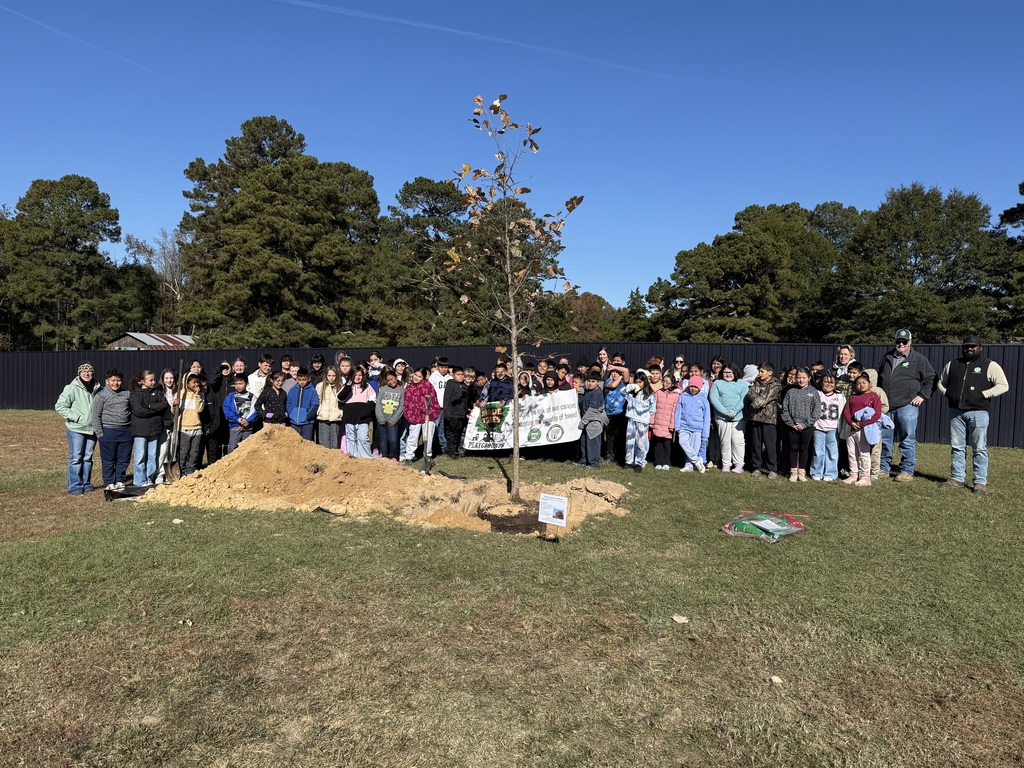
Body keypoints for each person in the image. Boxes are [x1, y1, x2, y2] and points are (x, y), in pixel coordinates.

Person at [936, 335, 1009, 494]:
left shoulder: (990, 365)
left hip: (979, 412)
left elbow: (1003, 385)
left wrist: (984, 394)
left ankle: (980, 482)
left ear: (980, 347)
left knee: (979, 448)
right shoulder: (953, 364)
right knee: (957, 447)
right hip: (956, 412)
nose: (969, 348)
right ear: (962, 347)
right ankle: (956, 479)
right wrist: (947, 392)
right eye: (966, 346)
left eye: (973, 346)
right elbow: (941, 382)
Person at [877, 329, 936, 482]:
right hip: (886, 406)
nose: (901, 344)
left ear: (910, 342)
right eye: (898, 341)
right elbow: (879, 378)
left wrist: (922, 395)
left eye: (904, 341)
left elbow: (931, 378)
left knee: (907, 439)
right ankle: (883, 468)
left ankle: (906, 470)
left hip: (907, 406)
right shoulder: (887, 357)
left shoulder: (919, 359)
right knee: (884, 439)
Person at [55, 362, 99, 495]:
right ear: (79, 373)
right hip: (77, 428)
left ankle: (86, 483)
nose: (87, 374)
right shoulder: (71, 388)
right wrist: (77, 417)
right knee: (76, 457)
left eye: (89, 371)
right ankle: (75, 485)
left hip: (92, 429)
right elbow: (60, 406)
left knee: (87, 457)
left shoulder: (98, 388)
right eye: (84, 371)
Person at [92, 367, 132, 490]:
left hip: (125, 432)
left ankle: (120, 479)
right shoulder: (101, 395)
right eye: (113, 380)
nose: (116, 383)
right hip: (108, 432)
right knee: (109, 459)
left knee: (123, 458)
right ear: (107, 381)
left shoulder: (126, 394)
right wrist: (100, 434)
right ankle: (109, 481)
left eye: (118, 380)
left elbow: (131, 410)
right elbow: (95, 415)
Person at [130, 370, 173, 485]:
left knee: (152, 456)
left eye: (154, 379)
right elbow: (138, 411)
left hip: (154, 430)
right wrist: (155, 410)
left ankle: (149, 479)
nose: (154, 382)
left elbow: (164, 405)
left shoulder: (157, 392)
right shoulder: (135, 395)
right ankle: (139, 481)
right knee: (140, 456)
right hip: (140, 430)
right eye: (151, 380)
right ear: (142, 382)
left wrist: (149, 406)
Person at [781, 367, 821, 482]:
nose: (801, 380)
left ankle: (802, 472)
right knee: (793, 448)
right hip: (792, 425)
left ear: (808, 378)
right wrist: (791, 423)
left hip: (807, 426)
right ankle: (793, 471)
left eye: (804, 378)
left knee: (804, 448)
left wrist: (805, 424)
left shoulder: (813, 392)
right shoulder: (790, 391)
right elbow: (785, 409)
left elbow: (816, 411)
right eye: (799, 377)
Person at [842, 375, 883, 486]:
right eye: (858, 383)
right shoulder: (853, 396)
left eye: (864, 382)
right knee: (851, 452)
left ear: (869, 383)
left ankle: (865, 477)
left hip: (864, 429)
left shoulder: (874, 396)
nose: (861, 385)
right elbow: (846, 411)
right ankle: (853, 475)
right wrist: (851, 423)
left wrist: (862, 424)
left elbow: (877, 414)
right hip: (851, 427)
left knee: (863, 453)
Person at [709, 363, 748, 474]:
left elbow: (744, 399)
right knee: (725, 441)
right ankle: (726, 464)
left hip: (739, 418)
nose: (728, 374)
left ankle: (739, 465)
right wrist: (725, 412)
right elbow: (714, 398)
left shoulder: (742, 384)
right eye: (725, 372)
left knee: (738, 442)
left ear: (735, 373)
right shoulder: (717, 383)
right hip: (722, 417)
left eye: (730, 372)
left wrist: (734, 411)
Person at [747, 362, 781, 479]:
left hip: (769, 419)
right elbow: (750, 393)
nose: (760, 374)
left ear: (770, 373)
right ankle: (756, 467)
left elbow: (766, 398)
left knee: (770, 445)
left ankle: (772, 469)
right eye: (759, 371)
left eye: (762, 371)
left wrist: (755, 403)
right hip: (756, 417)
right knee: (756, 444)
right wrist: (758, 401)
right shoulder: (756, 383)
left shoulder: (776, 384)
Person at [810, 373, 844, 482]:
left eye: (831, 382)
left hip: (833, 428)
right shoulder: (817, 394)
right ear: (821, 383)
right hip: (819, 427)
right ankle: (816, 472)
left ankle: (830, 473)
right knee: (818, 451)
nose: (828, 384)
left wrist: (841, 428)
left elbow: (843, 413)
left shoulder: (839, 396)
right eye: (826, 382)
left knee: (832, 452)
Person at [402, 367, 440, 466]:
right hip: (414, 416)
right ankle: (409, 457)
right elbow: (406, 402)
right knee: (413, 436)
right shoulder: (409, 387)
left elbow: (433, 399)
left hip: (427, 415)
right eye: (415, 375)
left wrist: (429, 408)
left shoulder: (428, 386)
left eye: (419, 376)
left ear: (423, 378)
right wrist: (408, 413)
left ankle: (427, 456)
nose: (416, 378)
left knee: (428, 437)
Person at [674, 375, 710, 473]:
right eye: (691, 386)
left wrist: (705, 435)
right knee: (683, 442)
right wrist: (677, 426)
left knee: (694, 448)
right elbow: (678, 411)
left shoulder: (703, 399)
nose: (693, 389)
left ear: (700, 388)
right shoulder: (683, 396)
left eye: (696, 387)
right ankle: (697, 461)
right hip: (684, 426)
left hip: (697, 428)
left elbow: (707, 418)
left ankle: (689, 465)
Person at [623, 369, 656, 473]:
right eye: (636, 381)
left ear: (645, 382)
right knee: (629, 442)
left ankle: (639, 462)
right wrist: (630, 387)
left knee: (640, 443)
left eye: (640, 382)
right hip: (632, 421)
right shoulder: (631, 393)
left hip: (643, 422)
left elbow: (652, 409)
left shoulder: (650, 395)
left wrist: (644, 416)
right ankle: (629, 461)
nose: (638, 384)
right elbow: (622, 392)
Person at [340, 367, 375, 457]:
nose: (358, 377)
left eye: (360, 375)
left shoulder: (367, 386)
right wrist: (347, 387)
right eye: (355, 375)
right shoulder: (347, 386)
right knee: (351, 438)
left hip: (363, 418)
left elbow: (372, 400)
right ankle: (354, 457)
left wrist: (365, 413)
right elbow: (339, 397)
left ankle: (366, 458)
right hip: (350, 417)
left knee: (363, 438)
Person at [177, 373, 206, 477]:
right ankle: (181, 472)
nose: (196, 384)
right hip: (184, 428)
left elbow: (199, 409)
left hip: (197, 427)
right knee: (183, 452)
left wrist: (198, 395)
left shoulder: (200, 395)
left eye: (198, 382)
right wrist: (175, 405)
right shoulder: (180, 394)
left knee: (194, 452)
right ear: (186, 383)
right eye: (194, 382)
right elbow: (175, 411)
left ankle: (191, 471)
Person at [222, 374, 260, 454]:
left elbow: (255, 410)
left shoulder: (252, 397)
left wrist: (248, 420)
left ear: (246, 384)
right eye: (236, 384)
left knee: (246, 450)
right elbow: (227, 410)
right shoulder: (230, 397)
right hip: (235, 427)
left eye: (240, 383)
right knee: (232, 449)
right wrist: (237, 419)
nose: (238, 386)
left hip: (248, 427)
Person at [650, 372, 680, 470]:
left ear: (672, 383)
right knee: (658, 444)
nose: (665, 384)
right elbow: (653, 408)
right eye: (664, 382)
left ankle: (667, 462)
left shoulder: (676, 395)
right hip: (658, 422)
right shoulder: (658, 393)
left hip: (668, 424)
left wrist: (672, 424)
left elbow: (675, 411)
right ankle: (658, 462)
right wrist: (652, 420)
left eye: (667, 382)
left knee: (667, 444)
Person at [375, 368, 405, 462]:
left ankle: (393, 456)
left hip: (393, 421)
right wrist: (380, 417)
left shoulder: (401, 391)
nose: (390, 382)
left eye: (392, 379)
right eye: (388, 380)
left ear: (396, 378)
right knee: (383, 440)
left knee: (393, 440)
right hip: (382, 419)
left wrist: (393, 420)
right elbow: (378, 404)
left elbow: (402, 406)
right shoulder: (383, 389)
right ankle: (384, 456)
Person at [578, 372, 607, 469]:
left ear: (598, 382)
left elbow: (592, 411)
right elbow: (582, 390)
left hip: (593, 424)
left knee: (593, 445)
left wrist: (582, 423)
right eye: (589, 381)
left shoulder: (597, 393)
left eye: (593, 381)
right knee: (584, 443)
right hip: (586, 424)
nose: (590, 383)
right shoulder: (589, 390)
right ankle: (584, 461)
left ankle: (594, 464)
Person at [442, 366, 471, 459]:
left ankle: (456, 449)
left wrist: (468, 410)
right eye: (458, 374)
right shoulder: (450, 383)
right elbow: (447, 398)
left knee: (459, 432)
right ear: (453, 375)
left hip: (462, 413)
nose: (461, 376)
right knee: (451, 433)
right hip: (453, 413)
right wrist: (446, 413)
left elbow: (466, 400)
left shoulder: (465, 386)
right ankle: (450, 450)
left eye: (462, 374)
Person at [286, 367, 319, 441]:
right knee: (295, 443)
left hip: (307, 423)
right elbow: (288, 403)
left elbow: (315, 404)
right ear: (296, 379)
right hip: (294, 423)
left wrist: (307, 416)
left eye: (304, 380)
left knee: (306, 444)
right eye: (299, 380)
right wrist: (291, 414)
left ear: (309, 379)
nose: (301, 382)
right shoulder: (292, 390)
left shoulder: (312, 391)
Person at [316, 366, 344, 449]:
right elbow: (317, 400)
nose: (331, 378)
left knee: (334, 441)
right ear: (326, 376)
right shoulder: (320, 386)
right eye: (329, 375)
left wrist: (340, 413)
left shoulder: (341, 386)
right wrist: (319, 411)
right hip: (323, 417)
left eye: (334, 376)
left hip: (335, 418)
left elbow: (343, 403)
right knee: (324, 442)